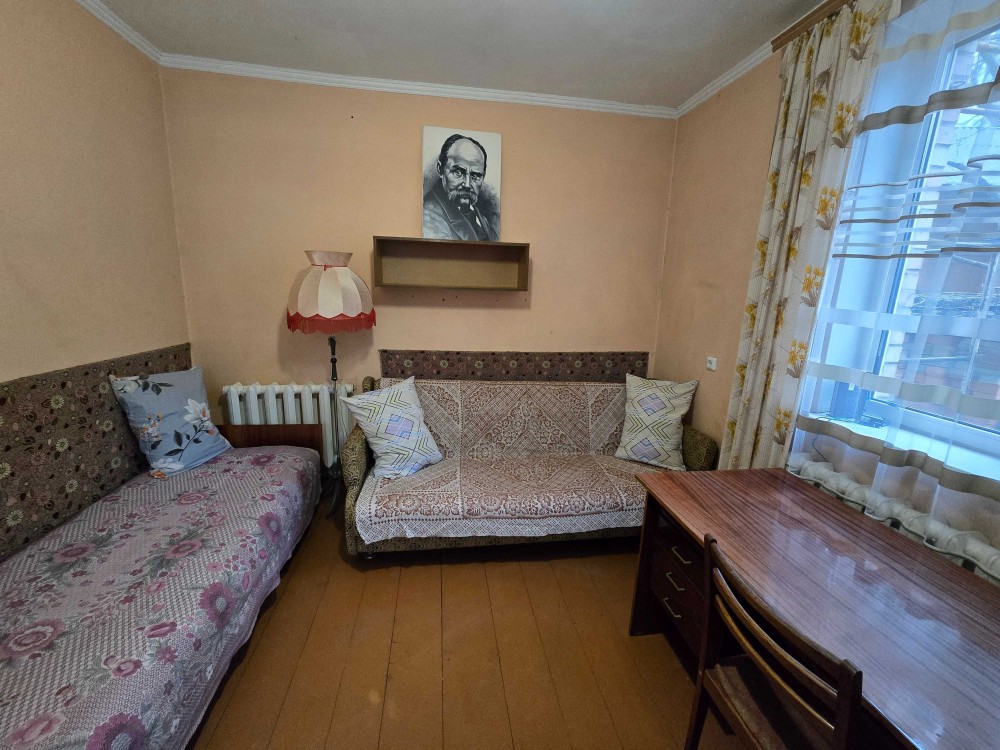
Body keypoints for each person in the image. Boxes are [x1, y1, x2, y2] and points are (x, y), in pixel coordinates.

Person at [423, 134, 499, 241]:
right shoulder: (429, 216)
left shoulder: (481, 213)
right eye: (458, 173)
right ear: (440, 169)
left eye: (475, 175)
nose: (467, 185)